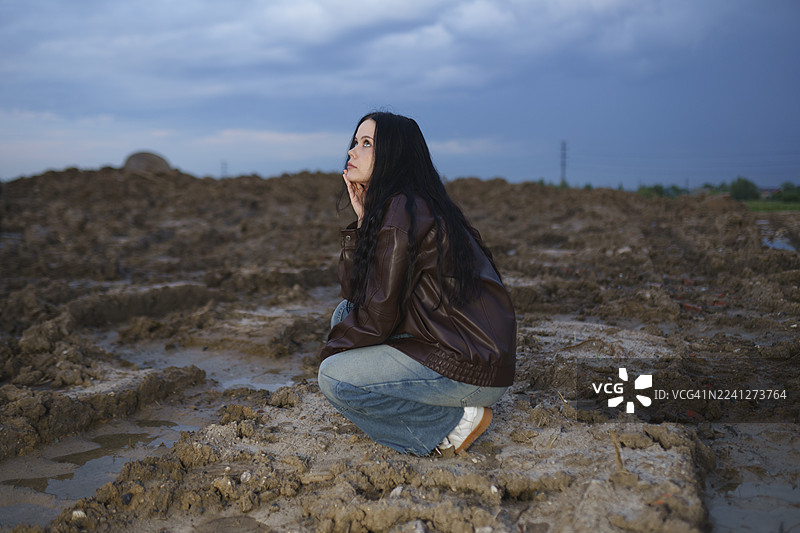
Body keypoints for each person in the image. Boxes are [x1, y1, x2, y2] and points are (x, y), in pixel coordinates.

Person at [317, 111, 516, 456]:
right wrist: (363, 222)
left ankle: (449, 424)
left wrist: (334, 352)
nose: (352, 151)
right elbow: (358, 299)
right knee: (343, 314)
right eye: (355, 141)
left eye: (366, 144)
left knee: (333, 377)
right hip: (465, 353)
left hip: (466, 368)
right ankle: (448, 413)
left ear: (393, 157)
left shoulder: (401, 213)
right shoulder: (403, 205)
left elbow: (376, 317)